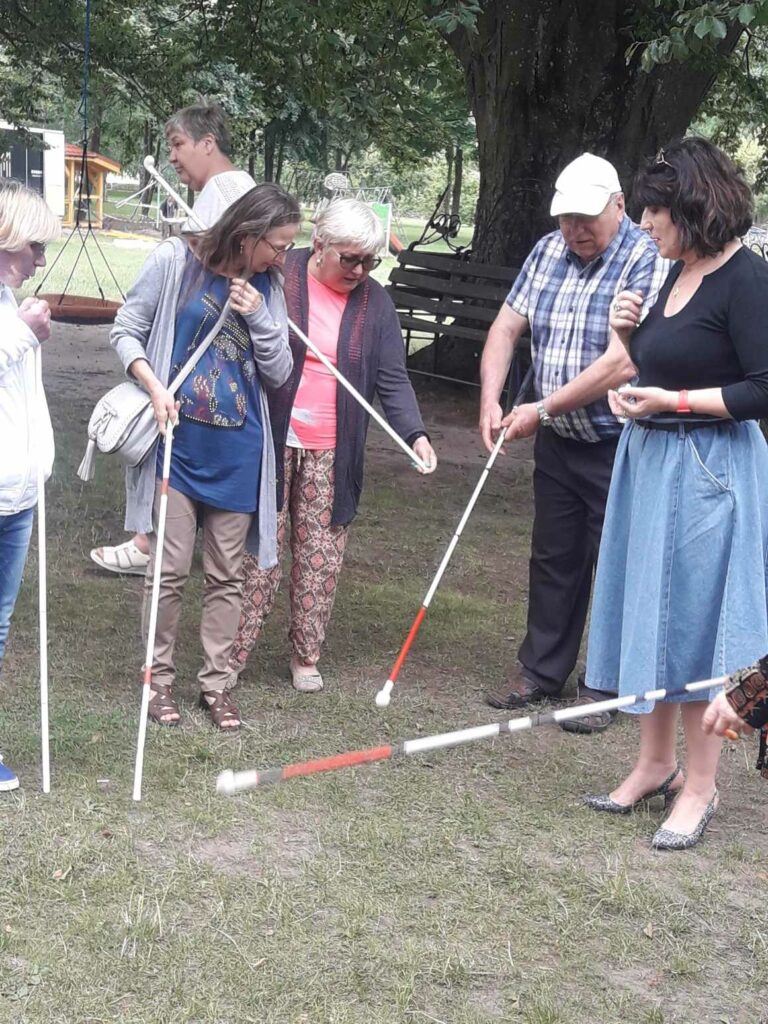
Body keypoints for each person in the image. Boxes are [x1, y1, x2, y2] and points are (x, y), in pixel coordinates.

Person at [583, 137, 768, 849]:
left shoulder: (747, 281)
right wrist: (623, 335)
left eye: (654, 212)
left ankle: (700, 785)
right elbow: (650, 363)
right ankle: (655, 764)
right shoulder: (674, 271)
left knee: (695, 625)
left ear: (692, 208)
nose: (644, 225)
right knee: (647, 613)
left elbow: (761, 388)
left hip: (711, 473)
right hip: (651, 467)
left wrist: (676, 401)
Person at [479, 153, 668, 731]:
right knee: (554, 555)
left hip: (622, 441)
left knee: (615, 562)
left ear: (618, 206)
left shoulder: (647, 255)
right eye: (565, 218)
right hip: (559, 442)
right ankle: (540, 671)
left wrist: (541, 407)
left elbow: (623, 361)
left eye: (586, 218)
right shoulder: (546, 250)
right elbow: (507, 326)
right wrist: (491, 397)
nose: (574, 230)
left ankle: (605, 684)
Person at [226, 199, 437, 693]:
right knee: (258, 554)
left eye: (371, 261)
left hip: (331, 448)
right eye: (350, 259)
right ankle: (229, 657)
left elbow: (392, 378)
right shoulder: (281, 274)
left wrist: (416, 434)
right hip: (272, 440)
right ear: (318, 244)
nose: (361, 271)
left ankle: (305, 655)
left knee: (321, 555)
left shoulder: (375, 302)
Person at [109, 183, 299, 729]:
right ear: (247, 235)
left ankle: (216, 686)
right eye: (278, 245)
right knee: (167, 571)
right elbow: (127, 330)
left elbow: (280, 372)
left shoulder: (268, 286)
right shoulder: (176, 260)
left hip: (240, 452)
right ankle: (157, 681)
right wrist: (152, 385)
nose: (284, 256)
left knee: (226, 576)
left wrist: (262, 317)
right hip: (178, 445)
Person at [91, 100, 256, 575]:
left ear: (209, 144)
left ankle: (151, 544)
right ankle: (151, 542)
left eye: (179, 145)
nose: (174, 158)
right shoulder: (220, 201)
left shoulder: (227, 190)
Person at [0, 180, 60, 791]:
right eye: (35, 245)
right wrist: (22, 332)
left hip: (17, 495)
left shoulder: (9, 301)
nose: (40, 258)